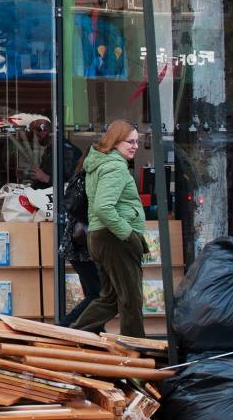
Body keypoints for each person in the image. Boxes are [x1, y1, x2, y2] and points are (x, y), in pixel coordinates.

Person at [70, 120, 148, 337]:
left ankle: (76, 335)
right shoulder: (115, 167)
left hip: (101, 236)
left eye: (137, 141)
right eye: (130, 142)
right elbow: (103, 207)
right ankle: (135, 347)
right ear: (115, 142)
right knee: (131, 297)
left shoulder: (100, 163)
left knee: (110, 298)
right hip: (114, 238)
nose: (135, 146)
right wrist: (128, 234)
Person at [59, 161, 100, 327]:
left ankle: (94, 329)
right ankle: (65, 326)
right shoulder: (91, 180)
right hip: (84, 247)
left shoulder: (79, 178)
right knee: (98, 294)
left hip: (75, 245)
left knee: (94, 293)